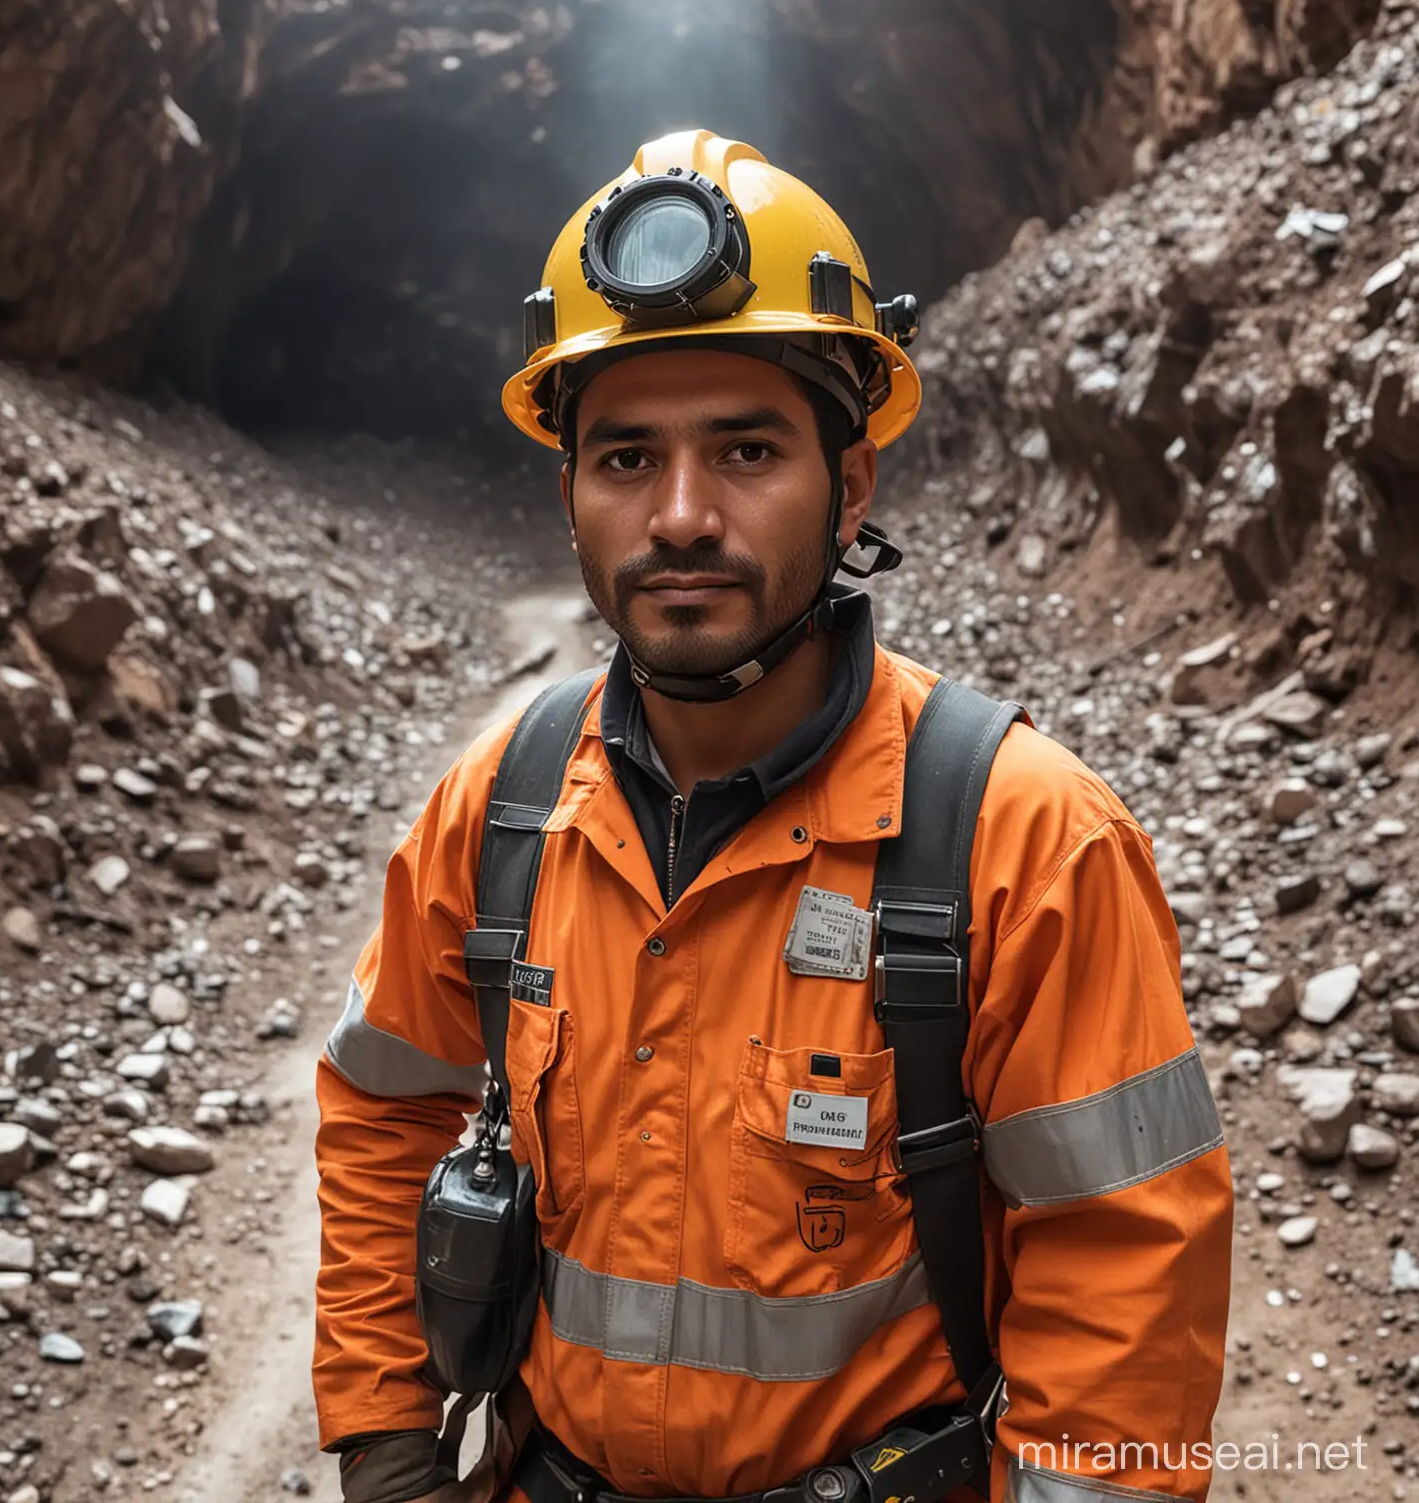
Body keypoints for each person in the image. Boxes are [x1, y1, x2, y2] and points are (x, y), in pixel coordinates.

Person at [313, 130, 1233, 1503]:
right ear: (568, 493)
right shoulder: (500, 809)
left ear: (850, 483)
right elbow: (385, 1114)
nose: (681, 517)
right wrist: (387, 1441)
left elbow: (1123, 1279)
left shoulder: (1024, 839)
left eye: (746, 449)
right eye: (625, 458)